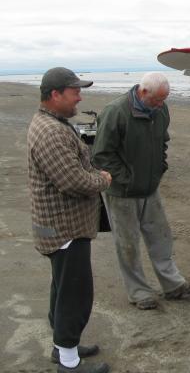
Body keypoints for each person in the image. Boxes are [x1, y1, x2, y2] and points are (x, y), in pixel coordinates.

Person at [92, 72, 190, 310]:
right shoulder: (115, 111)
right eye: (157, 100)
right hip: (121, 192)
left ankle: (173, 285)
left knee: (161, 237)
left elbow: (163, 141)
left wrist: (159, 168)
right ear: (143, 92)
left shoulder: (161, 110)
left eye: (164, 99)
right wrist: (127, 180)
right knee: (128, 244)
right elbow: (101, 155)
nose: (161, 105)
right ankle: (139, 292)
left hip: (150, 188)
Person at [28, 67, 111, 373]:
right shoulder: (51, 131)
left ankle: (64, 347)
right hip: (64, 229)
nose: (80, 97)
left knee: (63, 289)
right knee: (75, 294)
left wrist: (92, 173)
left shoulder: (53, 123)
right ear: (55, 94)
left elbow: (73, 170)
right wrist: (103, 179)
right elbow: (73, 181)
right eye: (75, 92)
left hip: (60, 227)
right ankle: (68, 362)